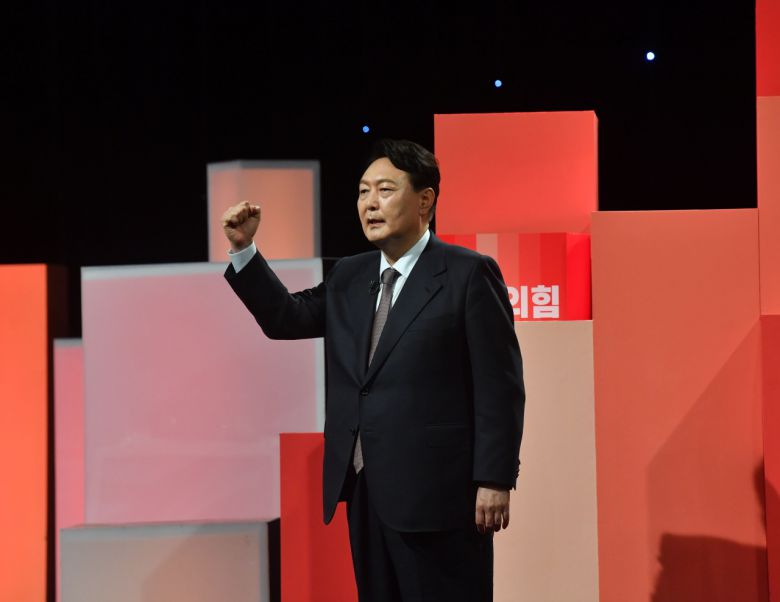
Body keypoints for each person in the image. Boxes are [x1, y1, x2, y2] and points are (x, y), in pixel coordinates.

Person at [222, 139, 525, 601]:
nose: (370, 203)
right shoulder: (350, 275)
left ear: (425, 200)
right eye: (363, 191)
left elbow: (499, 386)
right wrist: (244, 250)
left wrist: (495, 477)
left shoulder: (467, 274)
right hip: (365, 489)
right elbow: (286, 319)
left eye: (385, 190)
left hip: (439, 495)